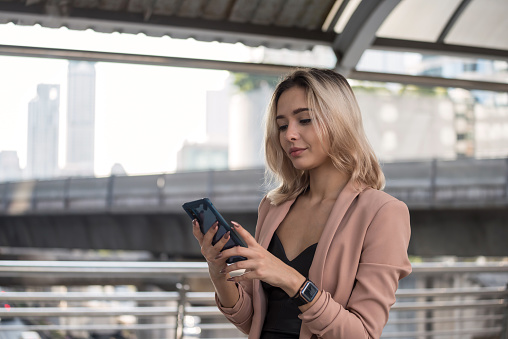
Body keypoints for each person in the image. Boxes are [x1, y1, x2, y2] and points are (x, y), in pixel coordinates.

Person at [192, 68, 411, 338]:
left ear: (340, 121)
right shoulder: (272, 207)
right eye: (282, 125)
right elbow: (252, 321)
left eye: (304, 120)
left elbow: (362, 333)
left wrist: (289, 279)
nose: (289, 135)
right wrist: (217, 269)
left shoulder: (383, 213)